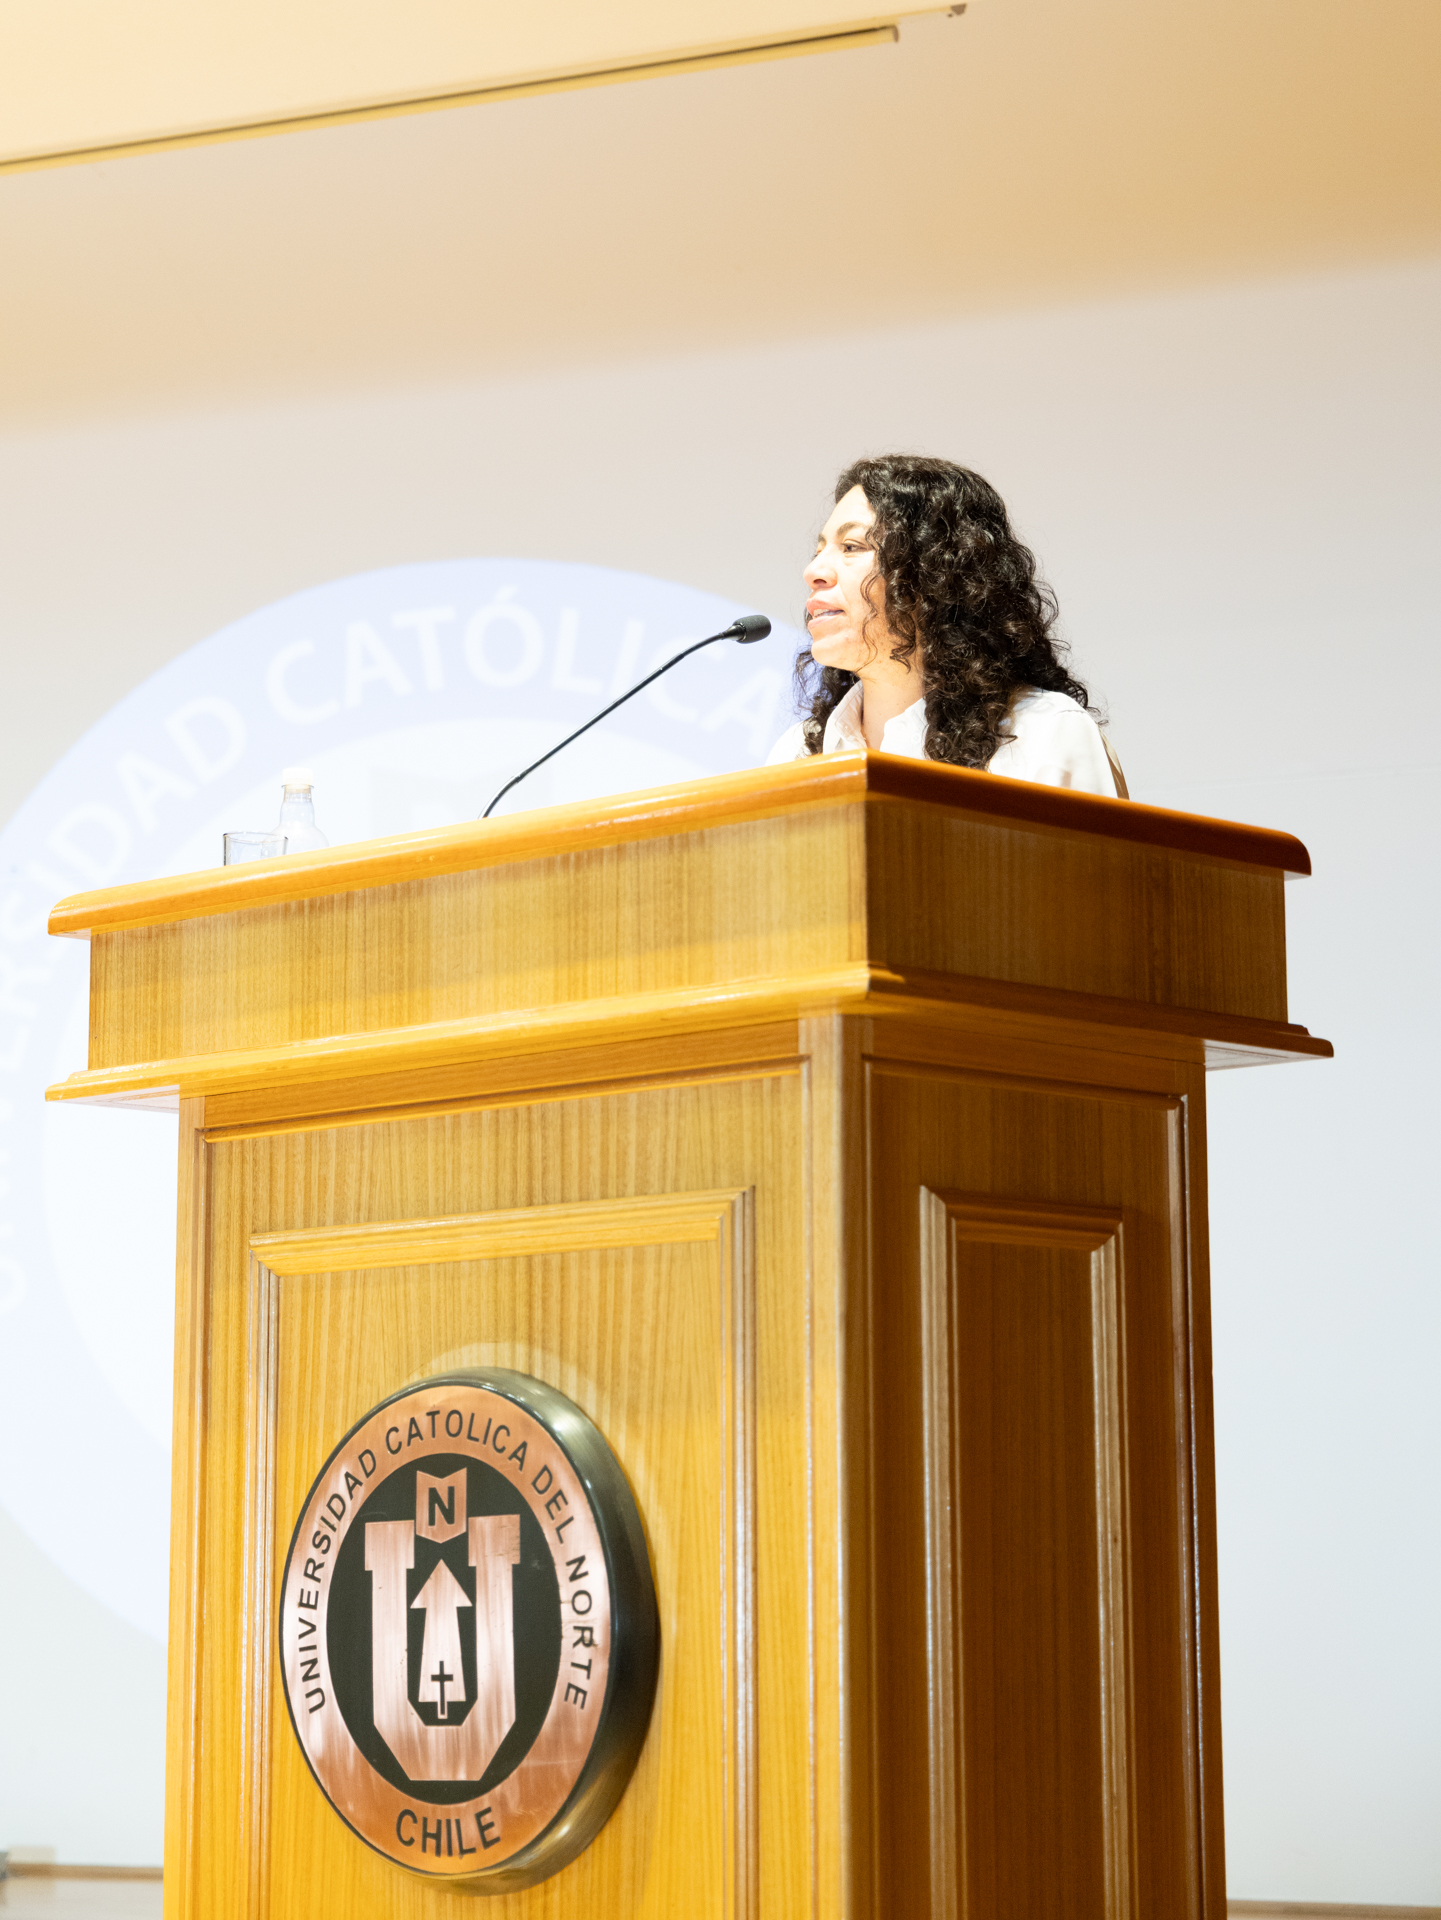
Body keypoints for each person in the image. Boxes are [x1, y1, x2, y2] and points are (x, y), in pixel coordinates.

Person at [766, 454, 1125, 797]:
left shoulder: (1045, 734)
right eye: (818, 551)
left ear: (937, 573)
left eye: (851, 546)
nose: (813, 571)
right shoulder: (797, 753)